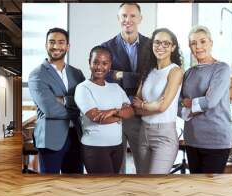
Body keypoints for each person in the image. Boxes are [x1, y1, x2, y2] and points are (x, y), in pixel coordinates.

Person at [101, 3, 151, 174]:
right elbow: (104, 79)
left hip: (143, 115)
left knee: (145, 168)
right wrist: (138, 77)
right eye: (123, 16)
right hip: (117, 115)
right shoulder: (105, 47)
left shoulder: (152, 46)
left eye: (132, 16)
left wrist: (121, 75)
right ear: (118, 19)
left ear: (140, 18)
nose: (127, 20)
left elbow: (154, 77)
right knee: (117, 169)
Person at [28, 28, 85, 174]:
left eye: (61, 42)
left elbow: (86, 101)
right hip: (50, 138)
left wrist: (64, 100)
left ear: (67, 46)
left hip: (76, 137)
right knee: (50, 185)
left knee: (74, 184)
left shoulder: (76, 73)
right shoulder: (37, 74)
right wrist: (76, 108)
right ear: (46, 45)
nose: (56, 46)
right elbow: (50, 109)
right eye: (52, 42)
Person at [178, 25, 232, 174]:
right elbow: (177, 104)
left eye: (202, 41)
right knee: (196, 187)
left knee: (210, 190)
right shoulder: (188, 73)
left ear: (211, 43)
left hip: (216, 140)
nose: (198, 47)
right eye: (193, 43)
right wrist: (196, 102)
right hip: (192, 139)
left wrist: (189, 103)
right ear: (190, 47)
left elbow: (210, 102)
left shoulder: (221, 69)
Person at [74, 46, 134, 174]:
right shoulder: (83, 88)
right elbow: (97, 118)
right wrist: (120, 114)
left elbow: (131, 112)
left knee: (112, 187)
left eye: (104, 63)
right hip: (95, 147)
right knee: (102, 188)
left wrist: (112, 111)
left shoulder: (115, 87)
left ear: (110, 65)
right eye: (95, 62)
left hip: (117, 145)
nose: (99, 67)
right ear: (89, 62)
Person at [132, 28, 183, 174]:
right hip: (143, 132)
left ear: (173, 48)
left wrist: (143, 105)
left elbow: (162, 107)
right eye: (157, 42)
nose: (161, 46)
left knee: (156, 182)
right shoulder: (148, 71)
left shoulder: (175, 71)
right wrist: (150, 106)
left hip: (164, 136)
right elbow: (135, 106)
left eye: (166, 43)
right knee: (143, 180)